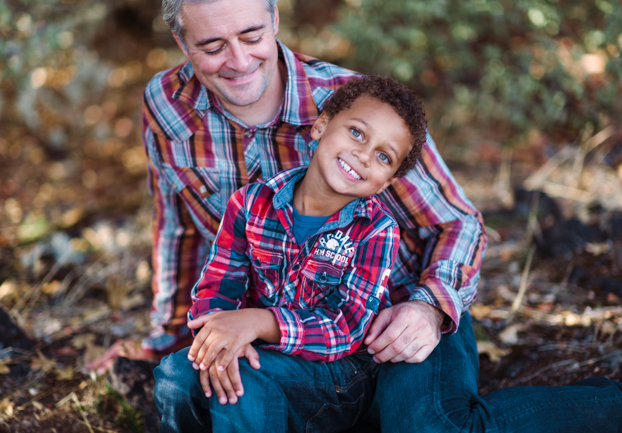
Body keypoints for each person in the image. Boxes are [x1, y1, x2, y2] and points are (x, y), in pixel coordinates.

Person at [89, 0, 622, 431]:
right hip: (284, 332)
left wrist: (429, 308)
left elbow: (459, 223)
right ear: (183, 42)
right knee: (198, 384)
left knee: (430, 426)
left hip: (397, 310)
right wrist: (172, 337)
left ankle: (606, 407)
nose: (238, 59)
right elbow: (180, 229)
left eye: (252, 36)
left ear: (275, 19)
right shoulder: (167, 107)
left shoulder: (359, 110)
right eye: (211, 45)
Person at [154, 75, 429, 431]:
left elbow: (345, 327)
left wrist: (259, 323)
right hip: (259, 354)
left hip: (336, 378)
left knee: (248, 381)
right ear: (322, 125)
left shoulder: (376, 231)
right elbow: (218, 287)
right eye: (357, 133)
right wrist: (219, 341)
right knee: (177, 373)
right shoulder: (250, 204)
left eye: (383, 156)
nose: (363, 155)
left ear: (386, 181)